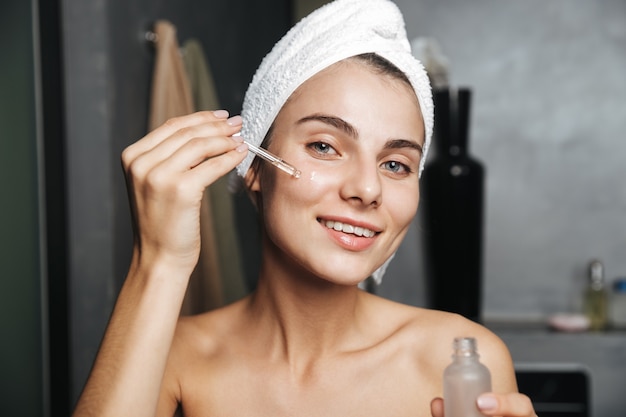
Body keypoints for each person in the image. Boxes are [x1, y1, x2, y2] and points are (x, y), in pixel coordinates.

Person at [72, 1, 536, 416]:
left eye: (395, 164)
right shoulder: (175, 358)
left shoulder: (459, 360)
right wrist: (158, 262)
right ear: (254, 166)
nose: (367, 189)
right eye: (324, 146)